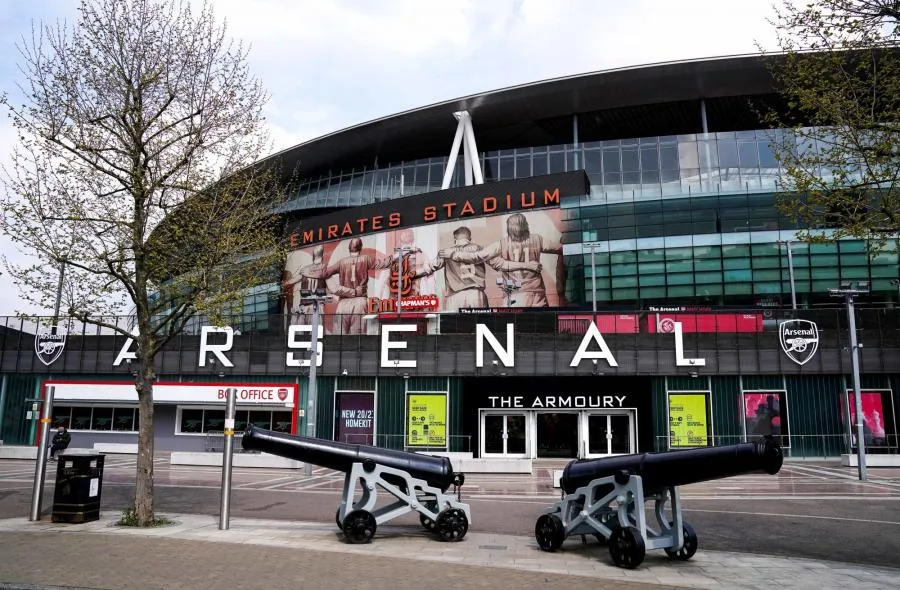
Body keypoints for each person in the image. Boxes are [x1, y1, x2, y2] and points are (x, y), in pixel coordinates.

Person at [437, 213, 563, 307]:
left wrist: (454, 254)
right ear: (526, 225)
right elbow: (562, 249)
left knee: (515, 330)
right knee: (542, 327)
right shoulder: (538, 239)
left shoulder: (501, 244)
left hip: (514, 294)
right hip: (537, 292)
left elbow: (477, 256)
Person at [414, 226, 542, 311]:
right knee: (480, 329)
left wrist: (409, 275)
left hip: (455, 297)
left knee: (453, 333)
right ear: (469, 238)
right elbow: (502, 264)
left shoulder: (445, 252)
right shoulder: (480, 250)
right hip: (477, 295)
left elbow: (427, 269)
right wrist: (527, 265)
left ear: (455, 239)